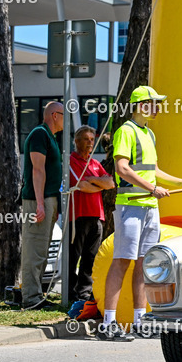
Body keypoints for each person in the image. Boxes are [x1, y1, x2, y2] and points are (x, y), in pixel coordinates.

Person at [102, 86, 182, 341]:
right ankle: (108, 324)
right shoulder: (126, 131)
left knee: (144, 263)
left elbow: (154, 170)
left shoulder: (149, 134)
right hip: (130, 205)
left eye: (158, 103)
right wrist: (152, 189)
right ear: (140, 105)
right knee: (122, 261)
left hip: (149, 206)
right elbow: (122, 168)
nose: (157, 108)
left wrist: (181, 182)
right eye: (153, 103)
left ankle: (140, 321)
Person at [19, 101, 64, 311]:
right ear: (54, 115)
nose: (66, 120)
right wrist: (40, 204)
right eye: (64, 115)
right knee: (34, 250)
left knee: (43, 250)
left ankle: (36, 295)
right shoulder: (40, 134)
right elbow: (37, 170)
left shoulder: (50, 136)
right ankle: (31, 298)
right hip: (37, 199)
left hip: (48, 199)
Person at [67, 126, 114, 303]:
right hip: (79, 215)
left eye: (92, 140)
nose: (90, 143)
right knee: (74, 256)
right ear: (77, 141)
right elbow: (81, 186)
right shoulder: (71, 161)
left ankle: (84, 292)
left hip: (97, 215)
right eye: (86, 139)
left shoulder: (95, 163)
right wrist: (99, 185)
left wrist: (93, 180)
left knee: (91, 257)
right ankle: (70, 292)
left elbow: (110, 183)